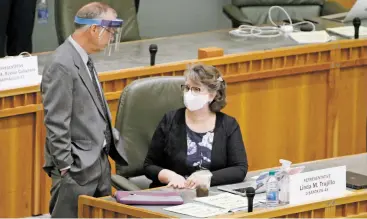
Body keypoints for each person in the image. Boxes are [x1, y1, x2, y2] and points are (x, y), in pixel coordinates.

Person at [40, 2, 128, 218]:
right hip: (76, 170)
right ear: (94, 29)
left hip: (98, 164)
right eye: (110, 32)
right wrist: (66, 166)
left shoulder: (83, 58)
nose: (111, 37)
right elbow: (56, 122)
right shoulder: (61, 63)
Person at [144, 63, 248, 189]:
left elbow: (239, 169)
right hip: (175, 193)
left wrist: (208, 178)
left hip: (211, 196)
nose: (189, 93)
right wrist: (170, 176)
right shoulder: (170, 120)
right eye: (187, 88)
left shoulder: (228, 125)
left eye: (196, 89)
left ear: (212, 95)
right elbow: (149, 165)